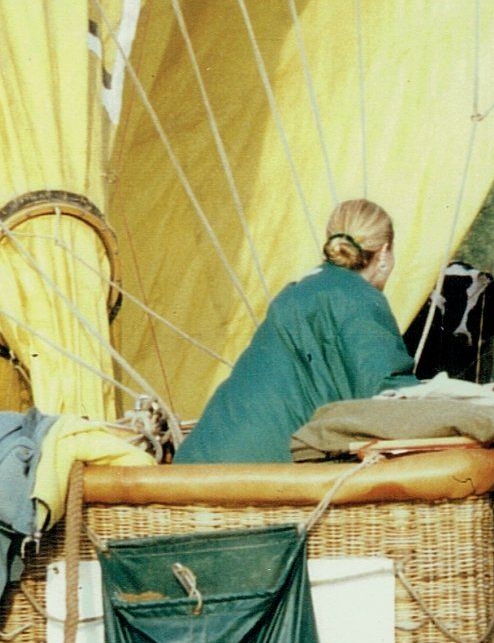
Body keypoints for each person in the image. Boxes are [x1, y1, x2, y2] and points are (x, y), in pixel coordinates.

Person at [175, 199, 421, 464]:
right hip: (264, 471)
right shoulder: (361, 299)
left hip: (198, 459)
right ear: (384, 253)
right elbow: (389, 394)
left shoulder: (294, 292)